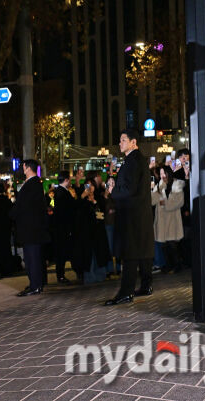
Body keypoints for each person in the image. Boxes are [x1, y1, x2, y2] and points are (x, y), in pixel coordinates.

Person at [104, 129, 155, 305]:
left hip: (131, 214)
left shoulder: (133, 161)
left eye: (123, 140)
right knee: (141, 250)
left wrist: (113, 190)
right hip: (138, 213)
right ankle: (146, 285)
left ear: (133, 142)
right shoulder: (136, 160)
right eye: (120, 140)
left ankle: (126, 292)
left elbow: (129, 189)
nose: (120, 143)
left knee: (130, 253)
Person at [10, 160, 50, 296]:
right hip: (32, 229)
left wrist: (12, 214)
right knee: (32, 257)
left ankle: (35, 285)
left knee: (32, 258)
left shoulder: (32, 184)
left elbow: (22, 205)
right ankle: (35, 283)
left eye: (23, 167)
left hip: (31, 229)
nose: (22, 169)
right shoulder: (34, 183)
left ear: (27, 168)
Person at [72, 178, 110, 283]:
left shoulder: (98, 197)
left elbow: (103, 208)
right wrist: (82, 196)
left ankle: (100, 276)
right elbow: (76, 209)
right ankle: (90, 277)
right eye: (87, 185)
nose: (90, 188)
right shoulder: (82, 199)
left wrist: (97, 200)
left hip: (98, 231)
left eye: (92, 185)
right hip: (86, 232)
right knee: (89, 255)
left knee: (99, 254)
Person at [152, 166, 185, 274]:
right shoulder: (159, 185)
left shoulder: (176, 185)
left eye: (164, 173)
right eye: (161, 173)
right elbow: (152, 200)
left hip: (172, 219)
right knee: (164, 244)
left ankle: (177, 264)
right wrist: (158, 190)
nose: (163, 176)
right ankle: (168, 265)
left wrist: (165, 203)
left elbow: (179, 201)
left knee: (172, 243)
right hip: (162, 219)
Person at [53, 171, 75, 284]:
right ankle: (60, 275)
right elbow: (67, 210)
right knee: (61, 252)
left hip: (61, 227)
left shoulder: (59, 192)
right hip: (63, 228)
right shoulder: (62, 193)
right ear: (66, 180)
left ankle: (60, 274)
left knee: (61, 252)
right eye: (69, 179)